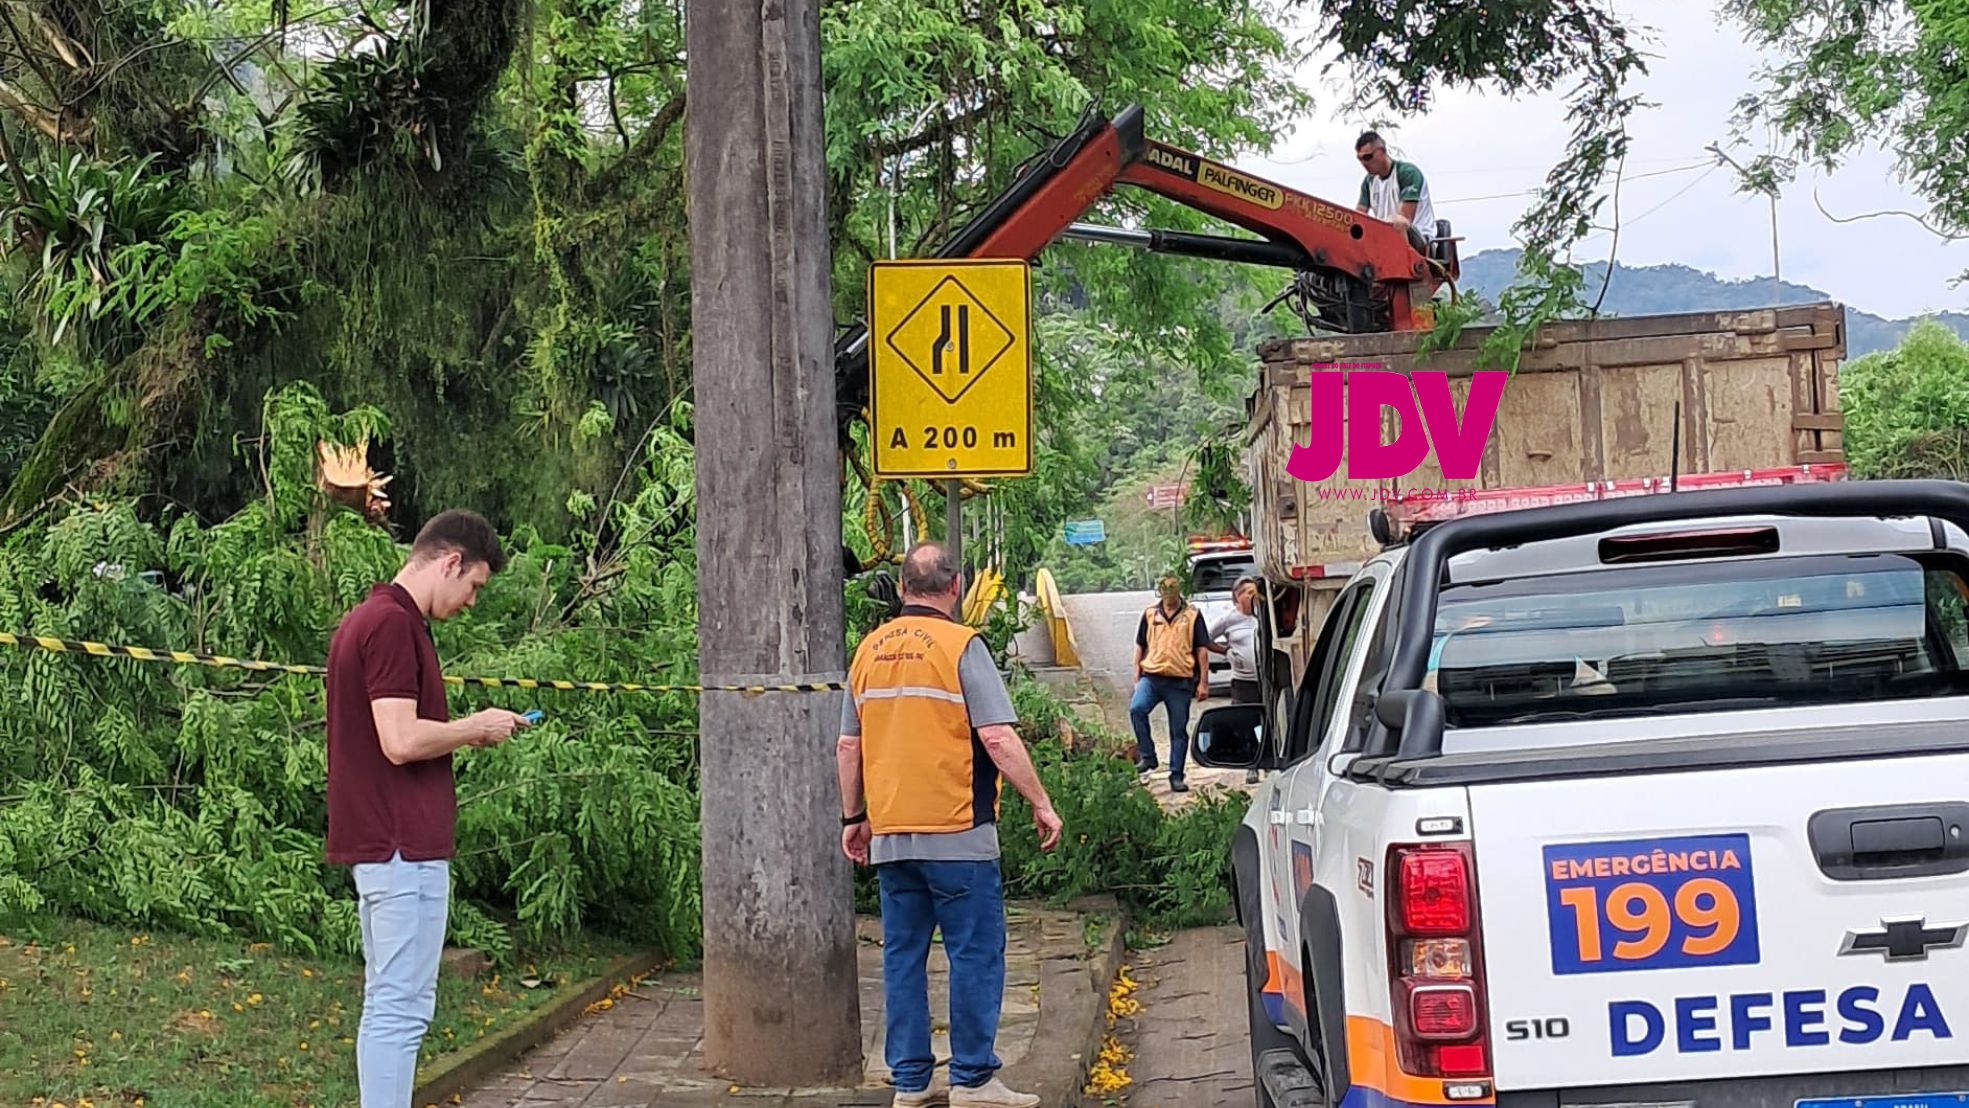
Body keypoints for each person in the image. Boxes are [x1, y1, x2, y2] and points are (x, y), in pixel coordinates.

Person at [838, 542, 1065, 1108]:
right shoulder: (961, 645)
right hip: (958, 833)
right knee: (974, 954)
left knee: (902, 958)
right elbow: (996, 736)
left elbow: (848, 744)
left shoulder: (868, 651)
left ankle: (910, 1084)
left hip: (892, 836)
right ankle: (972, 1079)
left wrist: (854, 817)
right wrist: (1040, 800)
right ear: (955, 585)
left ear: (901, 588)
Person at [325, 509, 534, 1108]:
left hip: (396, 843)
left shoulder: (380, 620)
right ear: (450, 562)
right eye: (474, 586)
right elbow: (400, 740)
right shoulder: (391, 625)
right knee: (399, 1008)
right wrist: (476, 727)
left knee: (397, 1004)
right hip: (397, 846)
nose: (472, 601)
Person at [1130, 576, 1210, 793]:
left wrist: (1203, 681)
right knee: (1137, 709)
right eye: (1165, 591)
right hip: (1152, 677)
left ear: (1179, 592)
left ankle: (1176, 774)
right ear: (1160, 593)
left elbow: (1202, 649)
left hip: (1179, 681)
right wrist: (1136, 673)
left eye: (1173, 591)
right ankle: (1148, 756)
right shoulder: (1150, 614)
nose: (1169, 596)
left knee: (1178, 729)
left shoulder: (1192, 615)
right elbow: (1140, 644)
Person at [1207, 577, 1264, 784]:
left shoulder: (1263, 617)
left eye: (1254, 591)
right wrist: (1227, 652)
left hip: (1266, 678)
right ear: (1237, 597)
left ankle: (1266, 757)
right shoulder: (1229, 619)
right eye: (1247, 592)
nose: (1252, 596)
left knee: (1265, 719)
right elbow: (1205, 639)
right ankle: (1251, 764)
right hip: (1243, 680)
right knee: (1245, 720)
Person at [1354, 130, 1436, 256]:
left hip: (1419, 238)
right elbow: (1358, 216)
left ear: (1382, 151)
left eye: (1368, 157)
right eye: (1360, 159)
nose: (1364, 163)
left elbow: (1404, 217)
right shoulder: (1369, 182)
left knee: (1397, 222)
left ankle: (1403, 265)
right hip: (1385, 236)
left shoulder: (1408, 173)